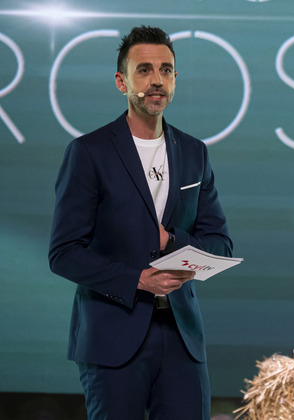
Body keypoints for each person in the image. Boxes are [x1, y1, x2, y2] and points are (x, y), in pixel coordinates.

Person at [48, 26, 232, 420]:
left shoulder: (195, 152)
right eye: (144, 70)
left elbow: (220, 244)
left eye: (165, 70)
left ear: (175, 79)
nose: (156, 80)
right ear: (122, 81)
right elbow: (63, 254)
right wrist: (137, 279)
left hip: (182, 338)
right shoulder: (88, 152)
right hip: (112, 336)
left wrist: (173, 241)